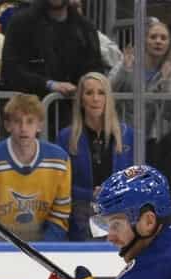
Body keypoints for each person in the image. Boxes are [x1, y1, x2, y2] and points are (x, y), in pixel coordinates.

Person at [0, 93, 71, 242]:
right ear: (7, 125)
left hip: (42, 246)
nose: (23, 128)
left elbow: (60, 214)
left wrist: (44, 249)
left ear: (40, 125)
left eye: (30, 122)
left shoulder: (60, 160)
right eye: (17, 121)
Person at [56, 72, 133, 241]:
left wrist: (111, 192)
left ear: (108, 98)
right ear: (81, 100)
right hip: (81, 212)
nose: (95, 99)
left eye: (101, 93)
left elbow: (136, 177)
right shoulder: (66, 136)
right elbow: (62, 185)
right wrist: (91, 195)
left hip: (119, 210)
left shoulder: (126, 134)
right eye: (89, 93)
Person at [0, 0, 103, 99]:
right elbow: (11, 70)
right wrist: (49, 84)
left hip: (74, 111)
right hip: (30, 112)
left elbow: (95, 69)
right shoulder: (20, 23)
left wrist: (87, 83)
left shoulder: (85, 28)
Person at [107, 17, 171, 141]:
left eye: (163, 38)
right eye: (153, 37)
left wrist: (165, 82)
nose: (158, 41)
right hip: (122, 133)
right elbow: (108, 90)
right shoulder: (125, 63)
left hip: (153, 138)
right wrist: (125, 70)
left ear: (168, 44)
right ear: (145, 41)